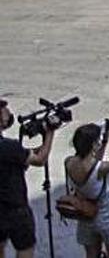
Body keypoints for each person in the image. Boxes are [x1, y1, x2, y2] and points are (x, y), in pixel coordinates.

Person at [65, 122, 109, 258]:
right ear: (92, 144)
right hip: (107, 212)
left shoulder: (69, 162)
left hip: (85, 213)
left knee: (91, 254)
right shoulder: (101, 168)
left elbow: (92, 162)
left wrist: (104, 142)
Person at [0, 99, 56, 258]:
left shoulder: (10, 149)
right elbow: (40, 160)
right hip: (15, 210)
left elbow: (19, 157)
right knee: (25, 250)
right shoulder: (9, 147)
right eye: (5, 111)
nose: (9, 114)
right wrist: (50, 133)